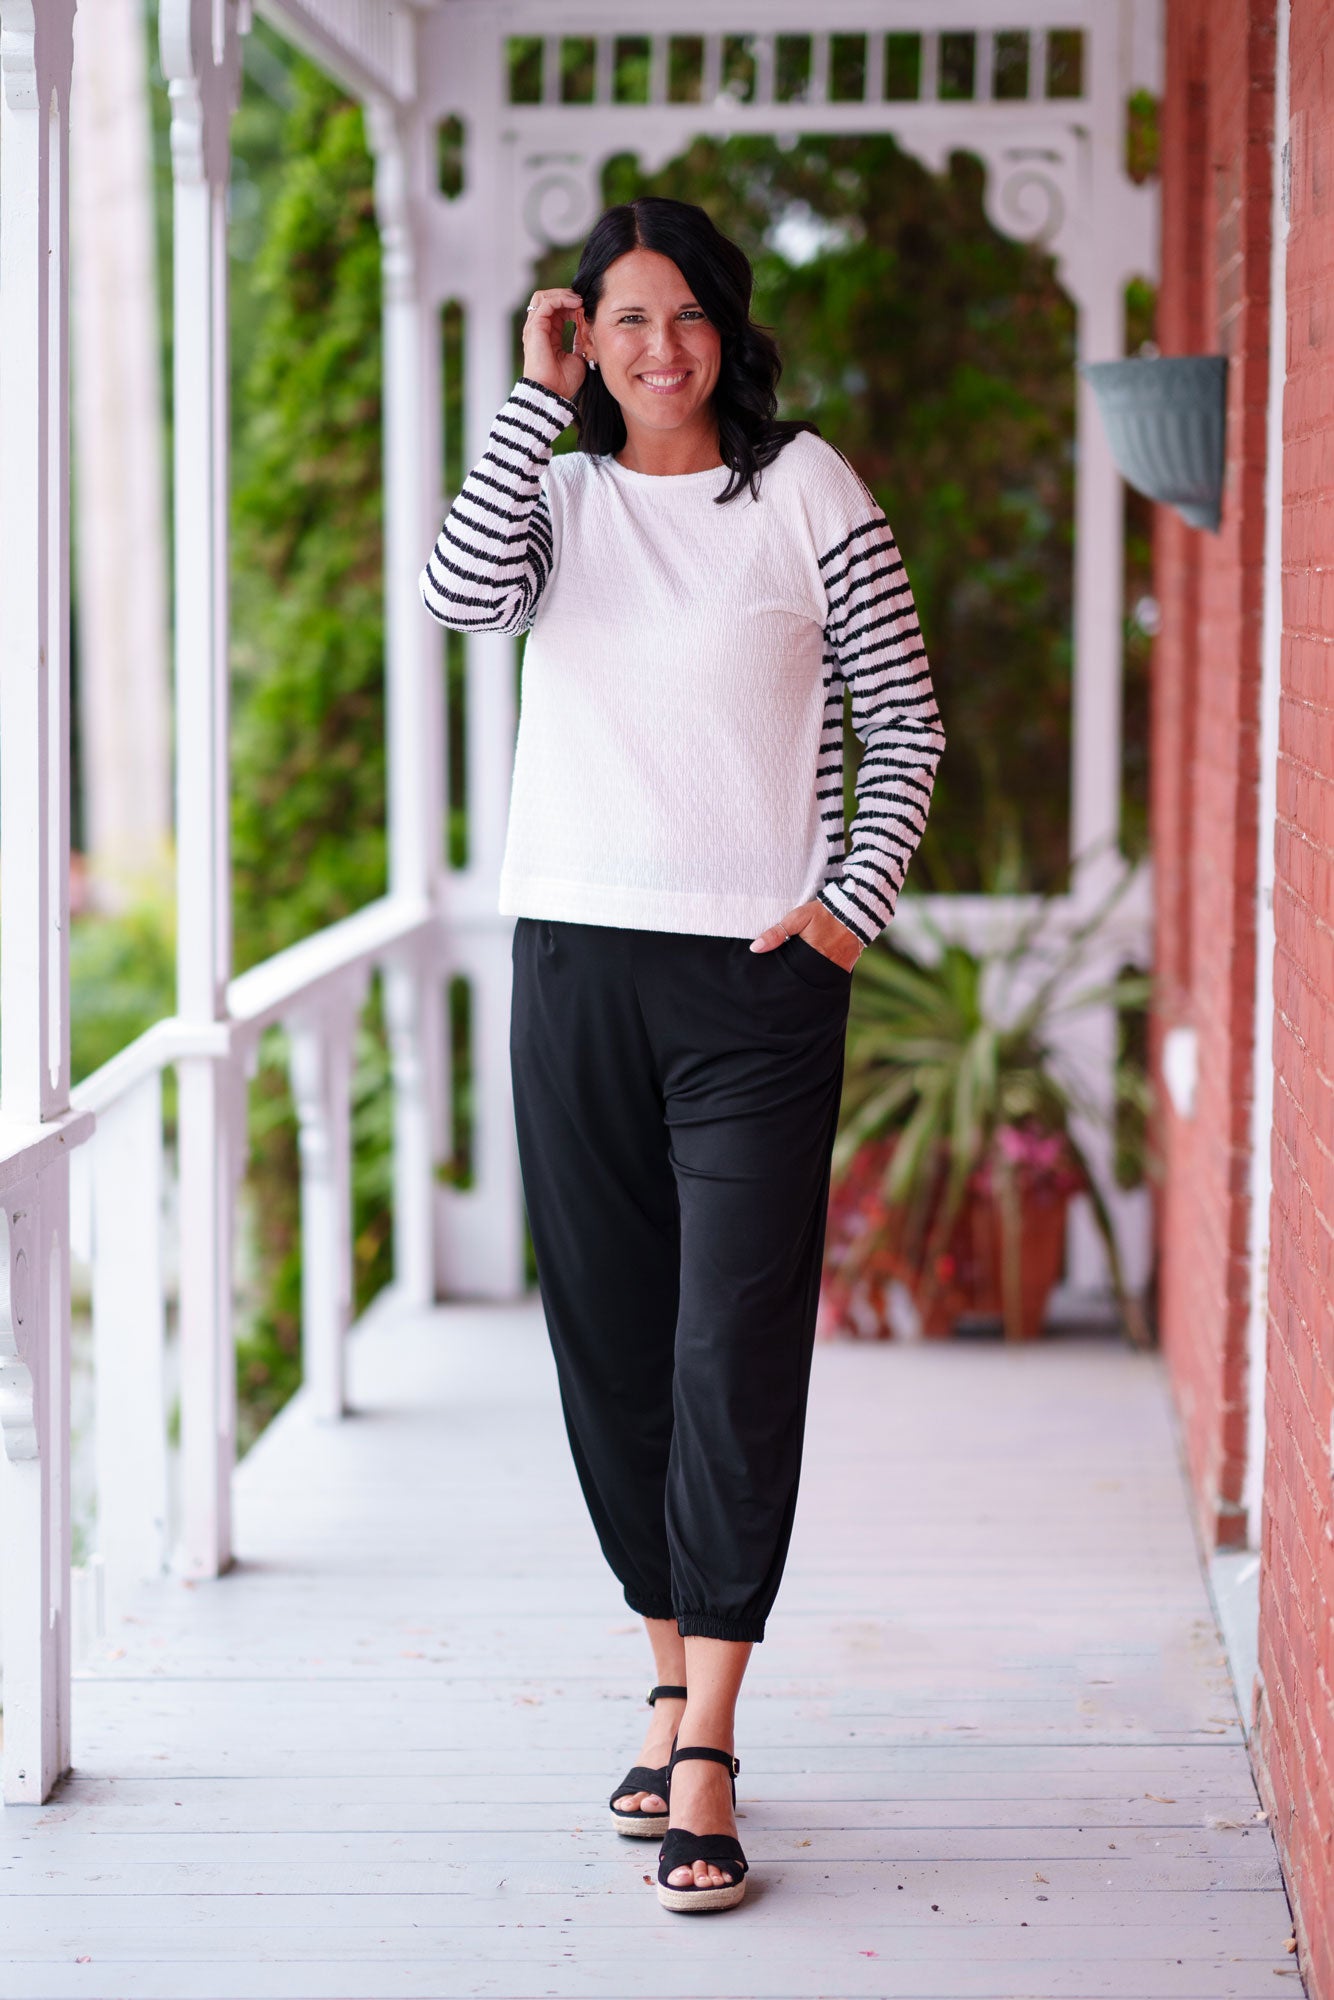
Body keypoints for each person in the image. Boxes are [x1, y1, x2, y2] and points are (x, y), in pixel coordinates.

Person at [419, 195, 944, 1915]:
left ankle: (707, 1743)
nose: (656, 348)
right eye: (620, 322)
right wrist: (524, 393)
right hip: (573, 963)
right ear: (585, 338)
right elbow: (455, 593)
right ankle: (665, 1676)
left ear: (728, 324)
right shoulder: (555, 496)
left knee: (729, 1348)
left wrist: (844, 910)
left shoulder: (803, 491)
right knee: (616, 1349)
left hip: (751, 984)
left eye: (683, 315)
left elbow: (903, 716)